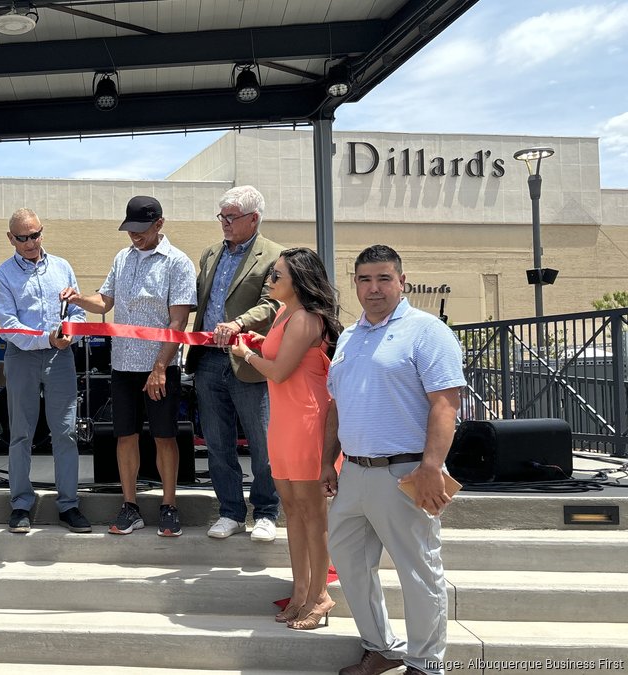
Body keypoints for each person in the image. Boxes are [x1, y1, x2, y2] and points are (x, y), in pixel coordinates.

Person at [321, 245, 464, 675]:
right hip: (354, 474)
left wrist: (432, 468)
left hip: (406, 472)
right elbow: (335, 405)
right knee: (348, 561)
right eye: (364, 279)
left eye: (384, 279)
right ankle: (382, 647)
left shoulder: (427, 331)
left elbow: (445, 403)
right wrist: (328, 462)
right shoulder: (349, 336)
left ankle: (426, 663)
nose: (374, 288)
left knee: (418, 571)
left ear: (402, 281)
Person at [60, 196, 196, 537]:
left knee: (166, 437)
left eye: (141, 230)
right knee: (125, 436)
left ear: (159, 225)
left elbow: (178, 322)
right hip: (122, 365)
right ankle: (130, 505)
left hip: (159, 366)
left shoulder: (178, 263)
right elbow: (105, 301)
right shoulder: (122, 258)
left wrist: (160, 368)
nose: (134, 237)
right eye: (130, 230)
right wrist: (78, 297)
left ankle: (168, 506)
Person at [229, 247, 342, 629]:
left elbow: (277, 372)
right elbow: (280, 360)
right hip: (284, 420)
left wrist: (246, 352)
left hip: (307, 421)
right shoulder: (283, 314)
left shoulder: (307, 318)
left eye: (277, 276)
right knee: (292, 511)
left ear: (299, 281)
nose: (271, 281)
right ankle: (300, 593)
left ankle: (319, 596)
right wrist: (257, 344)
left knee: (313, 513)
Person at [188, 185, 284, 542]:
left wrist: (239, 323)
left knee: (262, 442)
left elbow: (273, 303)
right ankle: (229, 511)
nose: (224, 223)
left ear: (254, 218)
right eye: (222, 216)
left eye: (232, 217)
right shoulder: (211, 253)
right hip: (209, 360)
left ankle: (266, 512)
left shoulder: (275, 256)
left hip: (249, 359)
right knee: (217, 441)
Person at [0, 208, 90, 534]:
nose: (31, 242)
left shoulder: (62, 267)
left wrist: (72, 331)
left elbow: (77, 310)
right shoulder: (2, 275)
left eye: (36, 234)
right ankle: (20, 504)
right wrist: (47, 338)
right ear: (11, 239)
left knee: (66, 431)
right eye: (23, 237)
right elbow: (10, 326)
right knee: (21, 433)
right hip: (21, 356)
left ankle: (69, 505)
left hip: (61, 358)